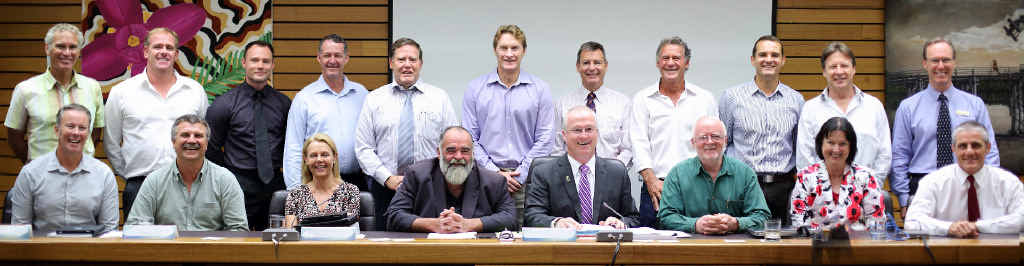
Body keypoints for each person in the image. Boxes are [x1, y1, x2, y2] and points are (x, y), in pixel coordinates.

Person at [104, 27, 209, 219]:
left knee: (185, 246)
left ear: (176, 54)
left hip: (186, 186)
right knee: (138, 247)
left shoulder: (195, 91)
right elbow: (111, 143)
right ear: (145, 51)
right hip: (139, 186)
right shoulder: (122, 92)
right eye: (157, 46)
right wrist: (130, 175)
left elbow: (202, 138)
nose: (163, 51)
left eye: (169, 48)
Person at [356, 37, 459, 231]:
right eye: (401, 59)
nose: (407, 65)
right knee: (386, 247)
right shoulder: (374, 99)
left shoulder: (439, 98)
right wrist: (388, 178)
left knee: (430, 246)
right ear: (391, 63)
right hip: (386, 188)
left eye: (412, 60)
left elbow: (453, 145)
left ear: (420, 63)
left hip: (431, 187)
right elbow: (364, 149)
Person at [891, 39, 1000, 213]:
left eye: (946, 60)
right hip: (922, 186)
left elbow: (990, 151)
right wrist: (904, 200)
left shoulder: (975, 105)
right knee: (926, 239)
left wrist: (987, 191)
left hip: (967, 183)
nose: (941, 66)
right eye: (935, 60)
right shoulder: (908, 108)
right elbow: (899, 156)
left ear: (954, 63)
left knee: (969, 238)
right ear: (925, 64)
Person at [463, 25, 555, 227]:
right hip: (484, 180)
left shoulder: (540, 90)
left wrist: (520, 174)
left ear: (524, 51)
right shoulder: (475, 89)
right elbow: (469, 139)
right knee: (485, 240)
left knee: (527, 243)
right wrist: (495, 174)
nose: (509, 54)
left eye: (515, 48)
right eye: (504, 48)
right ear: (495, 50)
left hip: (529, 181)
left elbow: (546, 139)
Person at [631, 36, 717, 227]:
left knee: (696, 247)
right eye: (665, 58)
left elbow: (715, 145)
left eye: (676, 58)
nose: (670, 63)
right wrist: (651, 180)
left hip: (698, 187)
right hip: (656, 188)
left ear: (687, 63)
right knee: (652, 250)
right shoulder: (642, 99)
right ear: (657, 63)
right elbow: (639, 143)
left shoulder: (704, 99)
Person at [205, 41, 291, 231]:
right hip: (237, 185)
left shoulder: (284, 104)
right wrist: (228, 175)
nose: (260, 65)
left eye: (265, 61)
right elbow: (210, 149)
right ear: (244, 63)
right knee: (237, 242)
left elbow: (290, 146)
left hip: (275, 187)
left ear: (272, 65)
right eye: (254, 60)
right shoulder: (224, 104)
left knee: (277, 242)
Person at [719, 35, 804, 226]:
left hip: (783, 189)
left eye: (775, 55)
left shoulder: (796, 100)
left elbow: (799, 148)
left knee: (781, 248)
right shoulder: (732, 98)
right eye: (762, 54)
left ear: (783, 60)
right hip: (742, 186)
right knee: (739, 243)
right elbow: (723, 144)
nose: (768, 59)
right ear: (753, 60)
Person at [125, 114, 248, 231]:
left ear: (206, 143)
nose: (191, 140)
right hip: (167, 251)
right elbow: (137, 225)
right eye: (185, 135)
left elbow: (238, 229)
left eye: (198, 136)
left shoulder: (225, 180)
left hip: (212, 252)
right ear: (173, 142)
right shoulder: (155, 181)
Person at [9, 104, 118, 233]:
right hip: (42, 251)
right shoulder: (30, 173)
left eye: (82, 128)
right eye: (70, 126)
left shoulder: (104, 175)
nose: (76, 133)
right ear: (57, 130)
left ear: (88, 134)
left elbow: (109, 231)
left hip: (88, 251)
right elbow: (19, 229)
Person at [385, 126, 516, 233]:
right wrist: (433, 224)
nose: (458, 157)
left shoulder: (494, 181)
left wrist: (469, 225)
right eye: (451, 150)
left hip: (475, 255)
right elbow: (394, 215)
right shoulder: (417, 174)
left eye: (465, 151)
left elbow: (510, 219)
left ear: (472, 154)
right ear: (439, 153)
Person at [526, 106, 639, 229]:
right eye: (577, 130)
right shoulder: (544, 172)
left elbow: (633, 218)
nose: (584, 136)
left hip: (606, 246)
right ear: (564, 135)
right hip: (561, 245)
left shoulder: (617, 172)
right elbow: (532, 216)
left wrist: (621, 223)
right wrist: (557, 222)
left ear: (597, 133)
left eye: (589, 129)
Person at [904, 121, 1023, 237]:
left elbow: (1021, 218)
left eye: (976, 145)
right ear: (953, 149)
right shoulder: (933, 182)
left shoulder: (1009, 183)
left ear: (987, 148)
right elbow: (912, 222)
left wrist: (978, 226)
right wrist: (949, 228)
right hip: (945, 254)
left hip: (998, 254)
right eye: (962, 146)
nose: (969, 151)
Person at [6, 23, 104, 163]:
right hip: (41, 178)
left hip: (83, 176)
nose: (67, 53)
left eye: (73, 47)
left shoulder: (93, 87)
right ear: (47, 48)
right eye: (60, 46)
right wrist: (38, 165)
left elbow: (95, 132)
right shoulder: (25, 90)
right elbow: (14, 137)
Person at [284, 34, 369, 191]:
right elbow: (293, 147)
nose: (332, 60)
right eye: (327, 55)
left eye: (337, 55)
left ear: (346, 59)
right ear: (319, 58)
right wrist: (295, 191)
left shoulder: (361, 94)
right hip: (317, 182)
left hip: (357, 181)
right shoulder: (304, 98)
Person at [658, 116, 769, 234]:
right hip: (689, 246)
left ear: (725, 140)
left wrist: (736, 223)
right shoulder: (677, 175)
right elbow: (666, 217)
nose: (709, 141)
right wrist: (695, 225)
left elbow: (762, 216)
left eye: (715, 136)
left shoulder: (745, 173)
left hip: (736, 247)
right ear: (693, 142)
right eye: (703, 137)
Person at [796, 42, 890, 180]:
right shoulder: (810, 109)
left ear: (853, 69)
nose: (839, 71)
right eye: (833, 67)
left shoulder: (874, 106)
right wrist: (823, 190)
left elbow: (884, 154)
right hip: (822, 196)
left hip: (866, 194)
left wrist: (869, 188)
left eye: (844, 66)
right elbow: (805, 159)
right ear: (824, 71)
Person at [789, 117, 886, 230]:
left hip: (858, 244)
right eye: (831, 143)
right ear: (821, 144)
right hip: (815, 245)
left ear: (851, 147)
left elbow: (877, 222)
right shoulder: (805, 177)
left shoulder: (865, 177)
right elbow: (799, 223)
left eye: (842, 144)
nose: (836, 149)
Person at [552, 41, 632, 165]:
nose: (591, 67)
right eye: (586, 63)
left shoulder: (623, 104)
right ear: (578, 66)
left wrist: (613, 173)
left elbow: (628, 149)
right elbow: (557, 149)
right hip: (570, 179)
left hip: (612, 179)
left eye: (597, 62)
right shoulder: (562, 104)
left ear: (605, 65)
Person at [284, 133, 361, 227]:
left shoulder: (350, 191)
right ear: (305, 159)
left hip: (339, 242)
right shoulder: (295, 195)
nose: (319, 159)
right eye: (313, 155)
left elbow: (351, 233)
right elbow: (291, 235)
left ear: (334, 158)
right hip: (304, 242)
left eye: (325, 155)